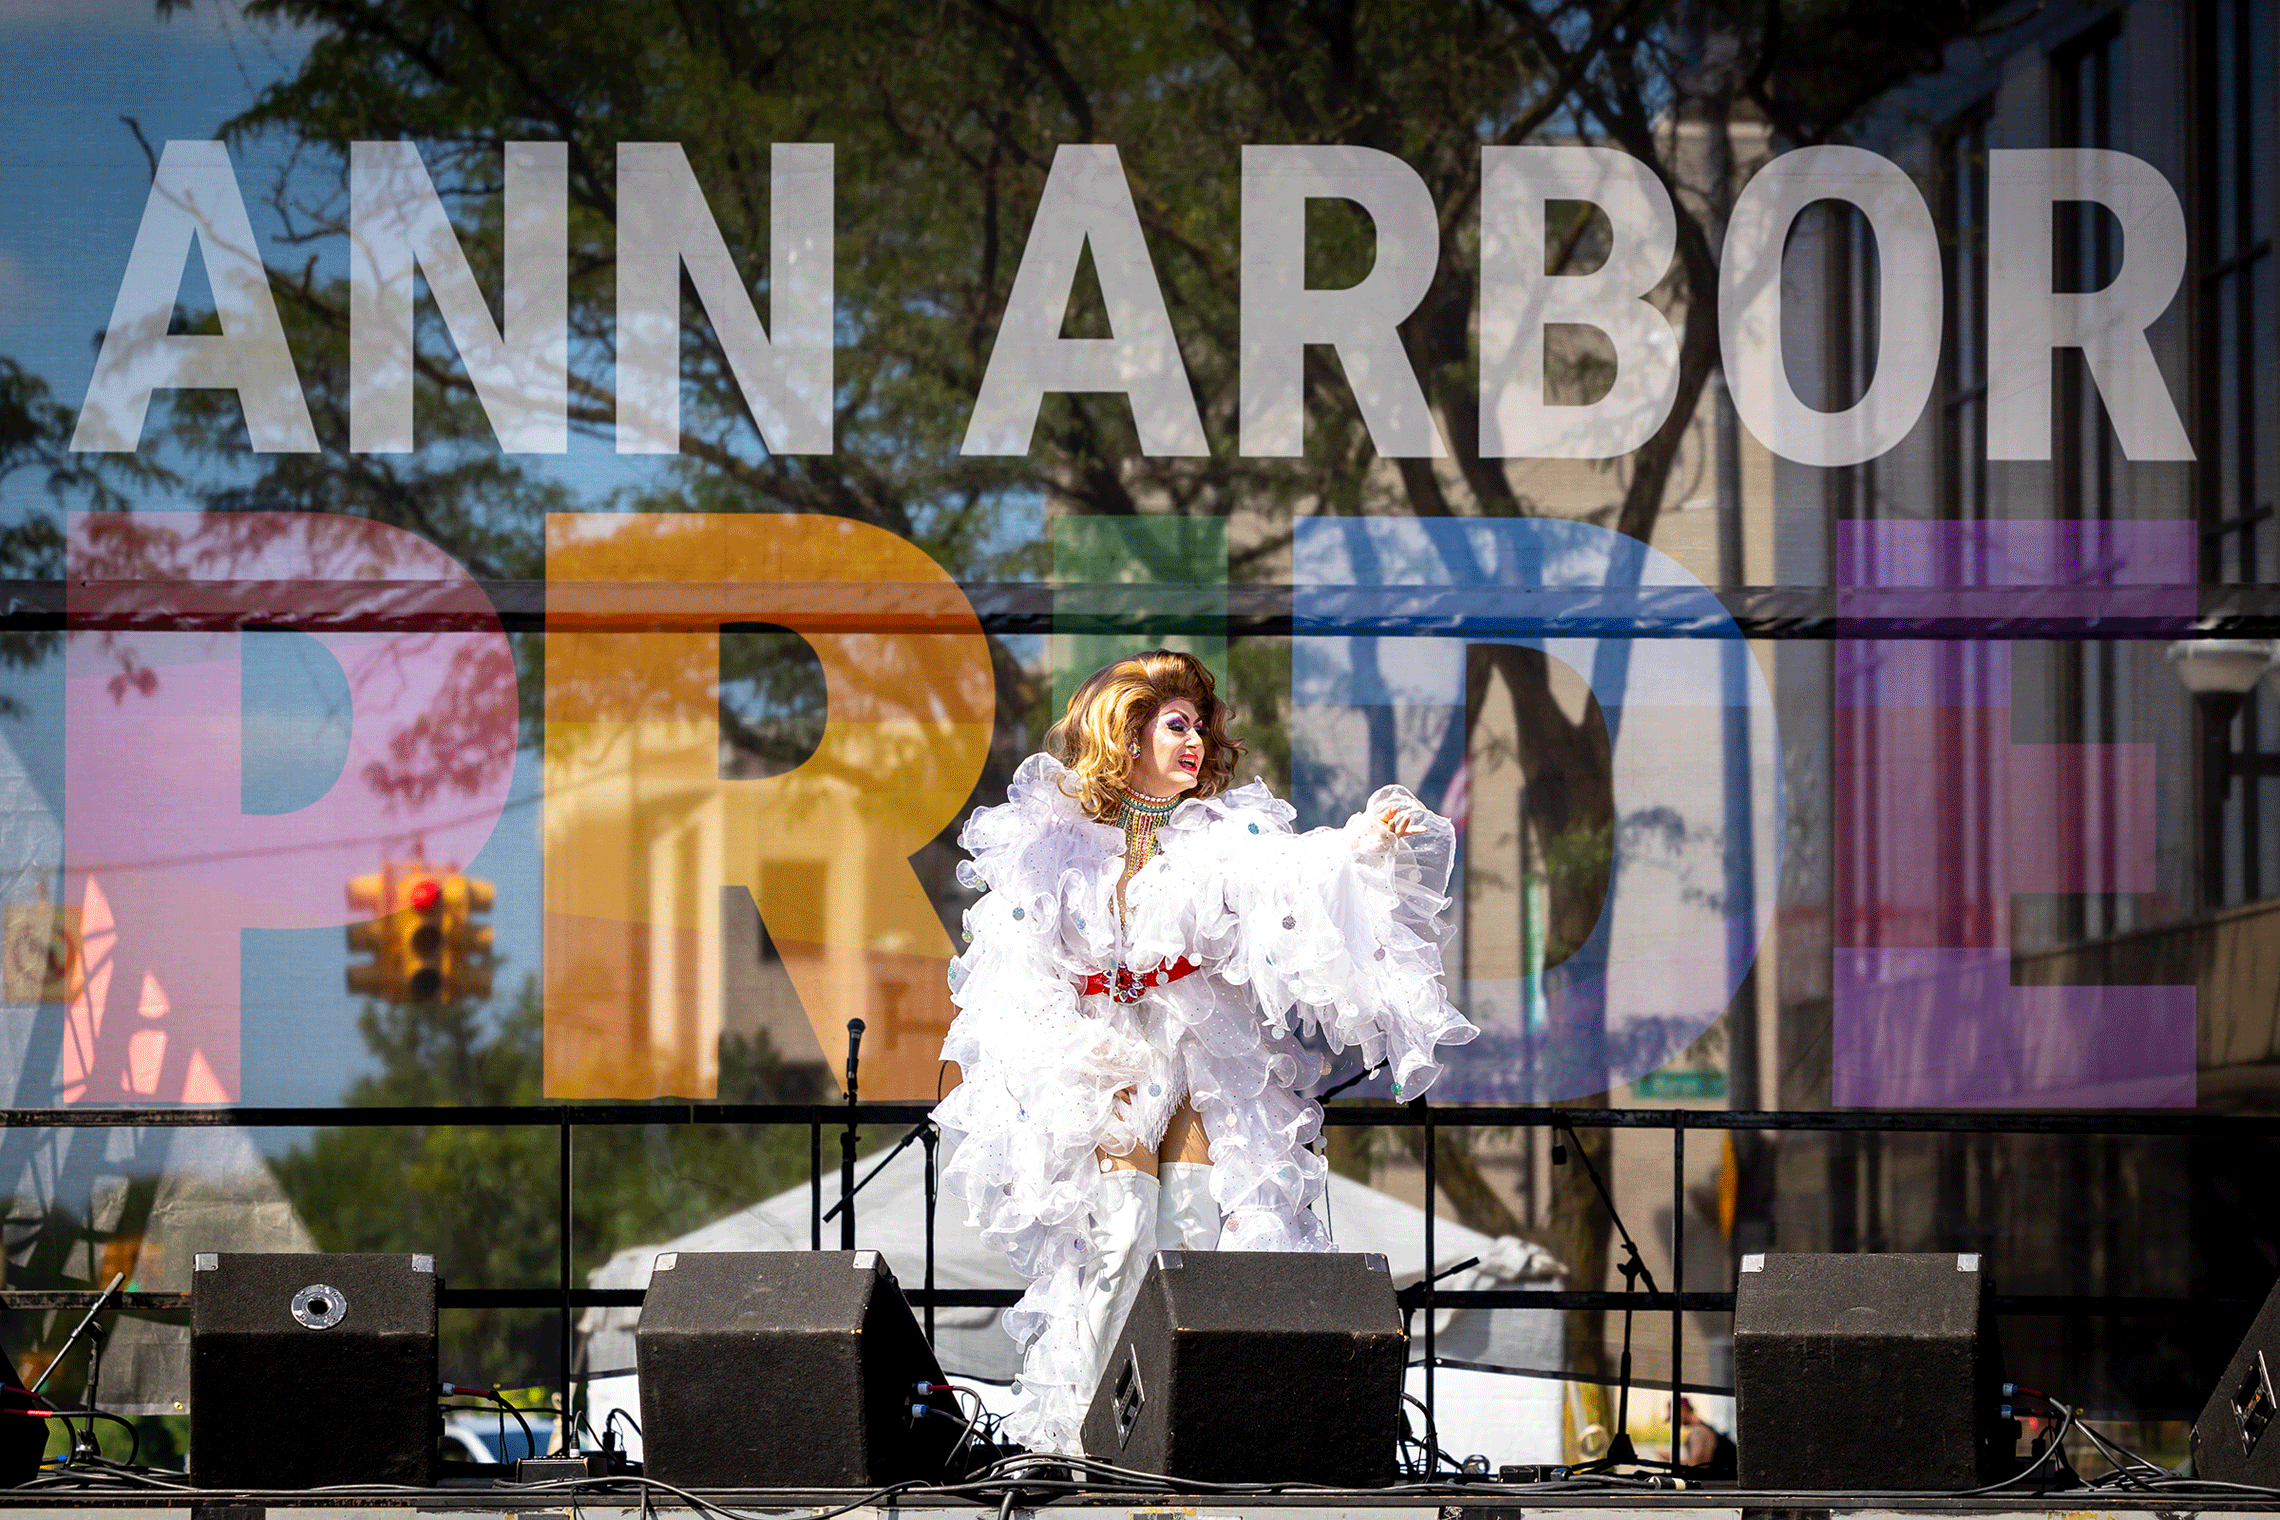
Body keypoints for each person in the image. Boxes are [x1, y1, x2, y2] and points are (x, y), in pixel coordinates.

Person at [932, 649, 1478, 1455]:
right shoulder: (1055, 844)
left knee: (1193, 1229)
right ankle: (1086, 1437)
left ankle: (1173, 1427)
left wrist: (1366, 842)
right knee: (1116, 1235)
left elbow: (1299, 873)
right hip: (1099, 1054)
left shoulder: (1223, 835)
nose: (1195, 741)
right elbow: (1019, 968)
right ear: (1126, 733)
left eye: (1199, 726)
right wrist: (1070, 1058)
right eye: (1175, 724)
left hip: (1197, 1046)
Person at [1674, 1397, 1737, 1479]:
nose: (1674, 1421)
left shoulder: (1698, 1432)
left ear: (1682, 1409)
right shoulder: (1705, 1428)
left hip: (1720, 1484)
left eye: (1674, 1416)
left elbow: (1696, 1466)